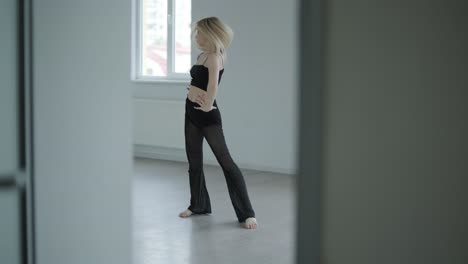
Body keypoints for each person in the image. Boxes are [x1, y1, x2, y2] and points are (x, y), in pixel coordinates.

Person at [179, 17, 258, 230]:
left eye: (200, 33)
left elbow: (213, 85)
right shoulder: (202, 56)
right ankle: (198, 205)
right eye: (196, 33)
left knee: (227, 163)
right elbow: (198, 82)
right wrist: (191, 92)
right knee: (194, 162)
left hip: (207, 115)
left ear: (211, 33)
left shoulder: (215, 57)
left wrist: (207, 105)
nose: (197, 37)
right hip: (190, 112)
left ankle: (247, 213)